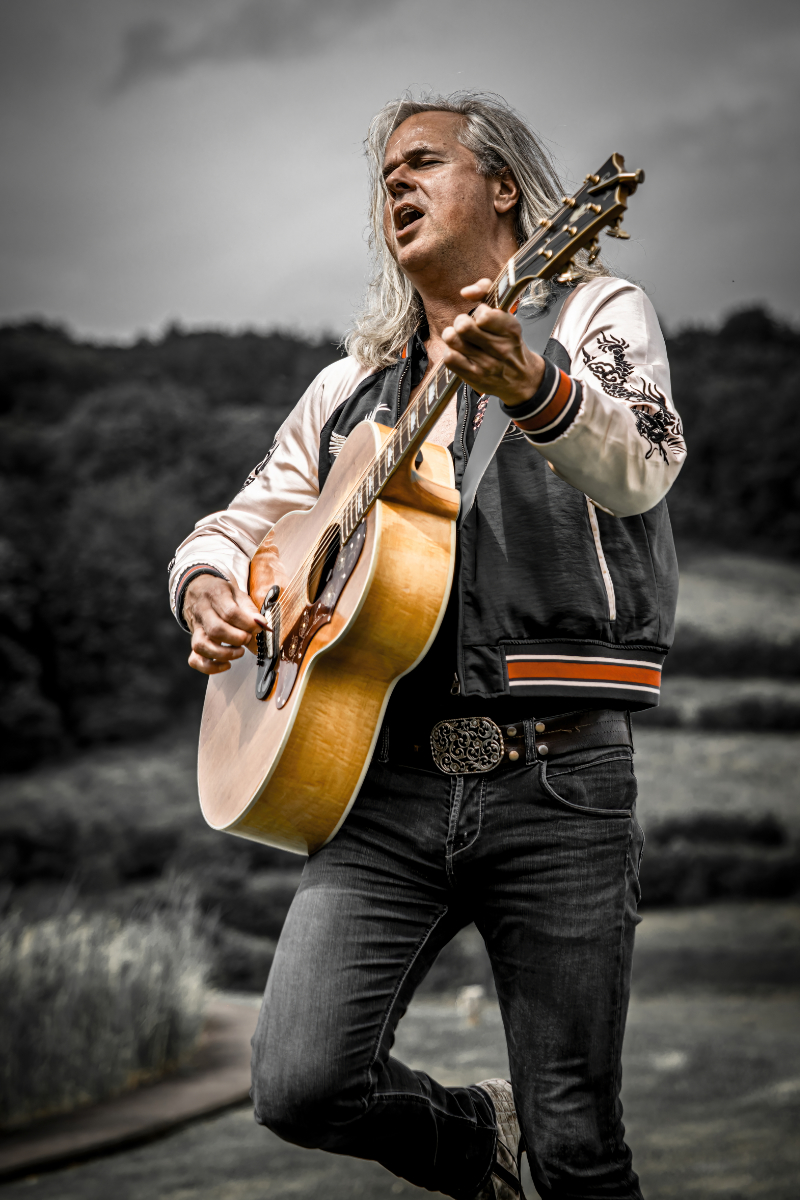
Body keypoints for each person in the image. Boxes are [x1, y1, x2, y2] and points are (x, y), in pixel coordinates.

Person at [169, 92, 686, 1200]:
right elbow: (237, 525)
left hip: (559, 777)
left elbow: (644, 461)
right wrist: (207, 585)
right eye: (385, 176)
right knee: (299, 1083)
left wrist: (533, 385)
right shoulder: (345, 390)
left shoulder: (594, 311)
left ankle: (534, 1144)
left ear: (503, 187)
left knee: (577, 1143)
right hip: (381, 784)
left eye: (422, 162)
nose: (394, 184)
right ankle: (473, 1137)